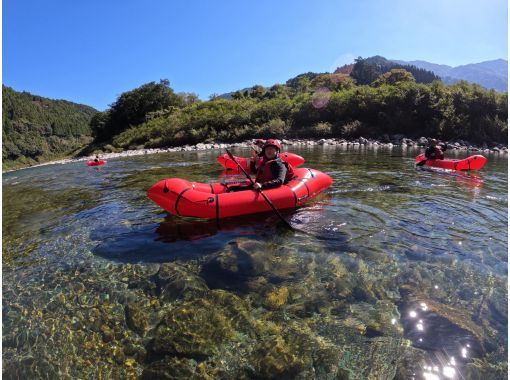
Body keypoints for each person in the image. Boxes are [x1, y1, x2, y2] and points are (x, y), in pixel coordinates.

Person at [227, 139, 294, 192]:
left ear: (277, 151)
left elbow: (280, 181)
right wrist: (252, 163)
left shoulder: (280, 165)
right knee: (232, 188)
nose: (268, 151)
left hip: (269, 188)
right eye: (267, 149)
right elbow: (255, 172)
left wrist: (262, 185)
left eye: (271, 149)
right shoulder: (265, 163)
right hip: (260, 185)